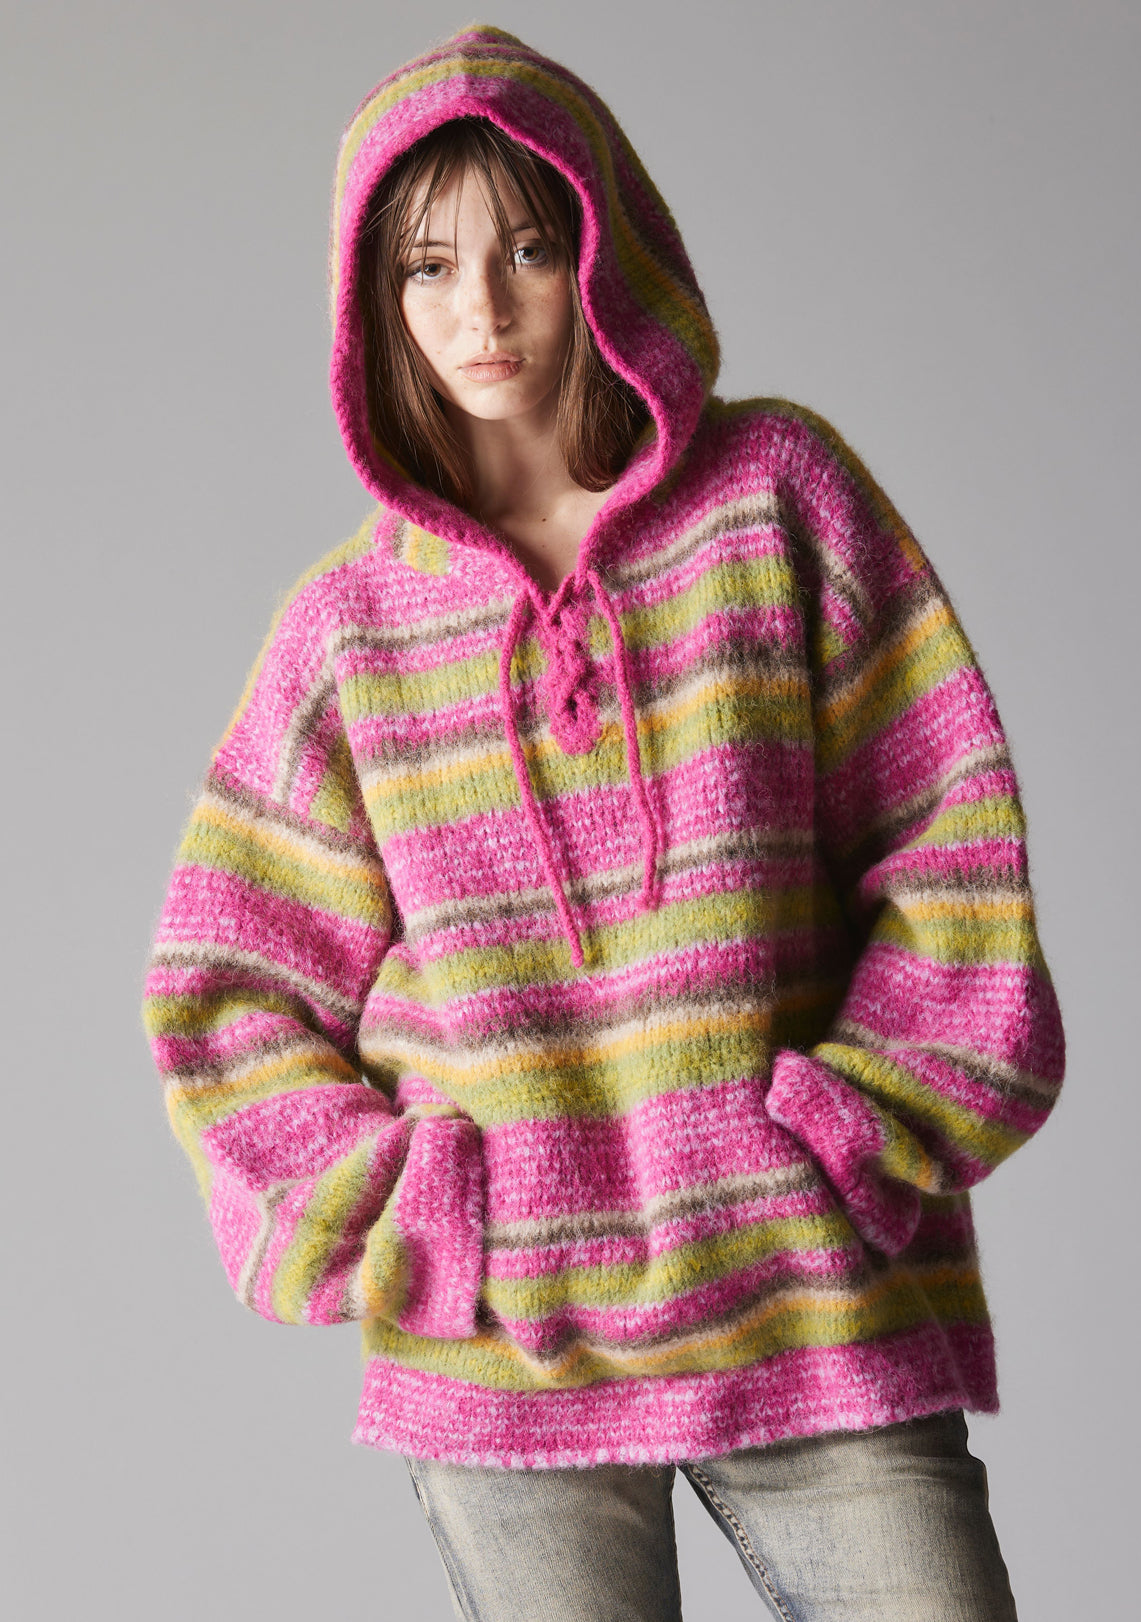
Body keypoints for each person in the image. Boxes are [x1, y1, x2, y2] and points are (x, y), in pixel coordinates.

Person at [143, 24, 1065, 1621]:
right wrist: (424, 1218)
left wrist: (852, 1135)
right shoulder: (350, 632)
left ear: (605, 251)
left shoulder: (776, 498)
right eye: (429, 267)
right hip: (510, 1357)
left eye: (528, 248)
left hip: (811, 1307)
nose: (482, 310)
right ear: (376, 301)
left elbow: (950, 839)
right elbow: (227, 989)